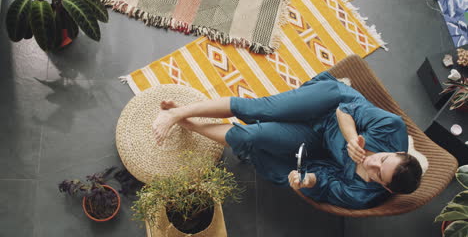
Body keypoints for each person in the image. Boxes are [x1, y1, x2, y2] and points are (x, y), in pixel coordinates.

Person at [152, 71, 423, 209]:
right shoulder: (391, 128)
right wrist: (352, 139)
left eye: (378, 174)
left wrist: (311, 181)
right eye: (384, 158)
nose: (374, 162)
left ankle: (190, 124)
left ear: (386, 189)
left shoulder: (363, 195)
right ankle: (179, 112)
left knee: (252, 136)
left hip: (319, 144)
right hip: (330, 104)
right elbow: (346, 109)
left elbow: (327, 187)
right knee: (257, 109)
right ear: (398, 152)